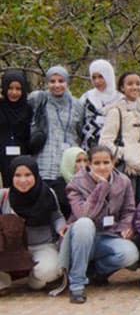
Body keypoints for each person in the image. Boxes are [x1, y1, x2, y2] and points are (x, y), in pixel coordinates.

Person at [65, 146, 139, 304]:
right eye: (97, 163)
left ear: (113, 162)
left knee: (130, 254)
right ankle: (77, 284)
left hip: (108, 235)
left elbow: (129, 210)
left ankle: (95, 271)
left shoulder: (123, 181)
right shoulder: (76, 183)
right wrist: (101, 187)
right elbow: (83, 214)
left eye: (106, 162)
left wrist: (126, 227)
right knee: (85, 223)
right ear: (89, 164)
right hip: (82, 238)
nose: (102, 167)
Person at [0, 156, 65, 292]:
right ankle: (3, 281)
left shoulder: (48, 194)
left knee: (49, 271)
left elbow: (57, 216)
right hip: (13, 247)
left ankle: (34, 278)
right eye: (17, 175)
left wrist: (61, 228)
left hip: (42, 245)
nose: (23, 180)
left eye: (28, 175)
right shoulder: (4, 196)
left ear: (35, 174)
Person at [28, 66, 85, 216]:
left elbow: (80, 132)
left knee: (67, 204)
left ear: (67, 82)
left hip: (68, 162)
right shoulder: (38, 99)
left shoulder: (77, 105)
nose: (57, 85)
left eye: (61, 81)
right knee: (44, 204)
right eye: (52, 81)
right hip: (44, 160)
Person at [99, 72, 140, 204]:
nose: (134, 87)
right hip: (127, 167)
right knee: (127, 205)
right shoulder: (116, 111)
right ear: (122, 87)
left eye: (138, 84)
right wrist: (124, 153)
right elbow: (105, 141)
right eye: (130, 84)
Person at [79, 59, 121, 150]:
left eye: (100, 77)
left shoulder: (120, 99)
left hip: (114, 148)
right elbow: (79, 122)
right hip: (89, 148)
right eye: (94, 78)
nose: (97, 81)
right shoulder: (86, 98)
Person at [0, 70, 32, 187]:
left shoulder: (28, 109)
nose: (14, 92)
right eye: (10, 88)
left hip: (22, 158)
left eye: (18, 89)